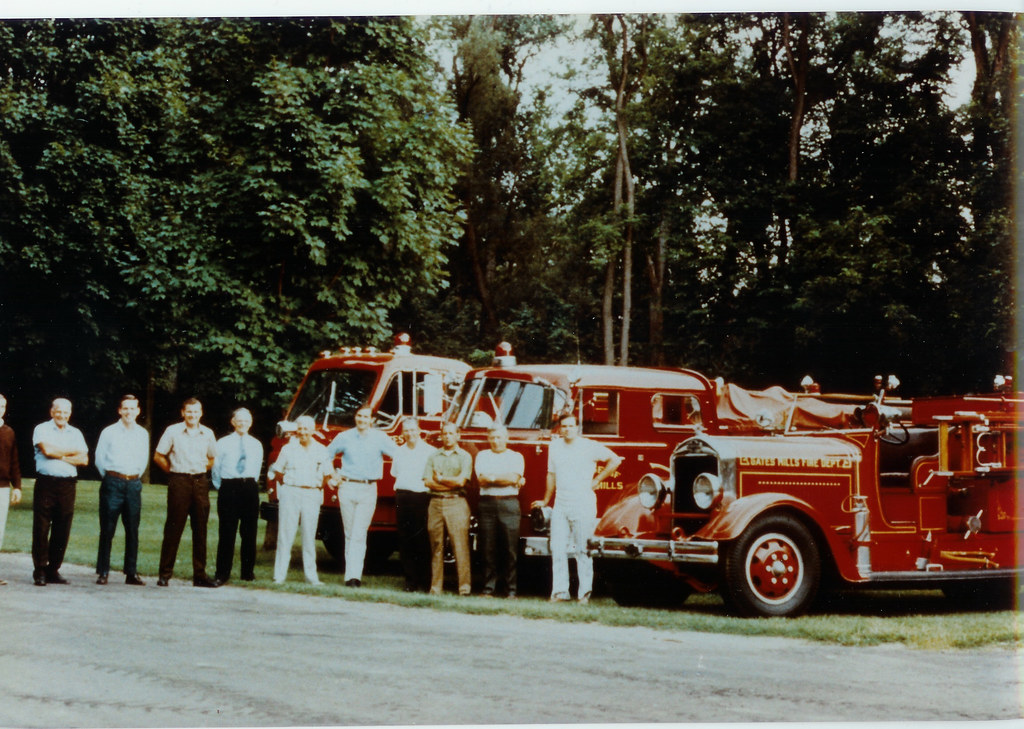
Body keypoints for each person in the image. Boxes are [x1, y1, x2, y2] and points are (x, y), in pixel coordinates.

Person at [533, 413, 622, 605]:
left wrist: (597, 480)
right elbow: (551, 475)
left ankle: (584, 594)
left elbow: (615, 460)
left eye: (571, 426)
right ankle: (560, 592)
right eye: (564, 426)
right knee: (557, 548)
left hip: (583, 503)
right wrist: (546, 500)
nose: (567, 430)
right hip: (560, 503)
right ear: (559, 428)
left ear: (577, 428)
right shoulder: (555, 446)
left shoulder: (589, 446)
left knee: (583, 550)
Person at [326, 406, 397, 587]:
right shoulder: (344, 437)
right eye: (359, 416)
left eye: (366, 417)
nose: (362, 419)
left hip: (368, 488)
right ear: (355, 417)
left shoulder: (380, 438)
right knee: (350, 533)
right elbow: (326, 455)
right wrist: (332, 475)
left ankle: (354, 576)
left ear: (372, 420)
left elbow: (399, 455)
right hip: (347, 486)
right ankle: (351, 576)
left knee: (359, 532)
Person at [153, 397, 218, 587]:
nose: (192, 415)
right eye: (189, 411)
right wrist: (173, 472)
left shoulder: (208, 433)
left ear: (201, 413)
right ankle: (165, 574)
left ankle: (200, 575)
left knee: (200, 529)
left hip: (200, 482)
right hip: (179, 481)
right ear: (183, 413)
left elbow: (212, 459)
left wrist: (199, 470)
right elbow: (158, 456)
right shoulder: (172, 431)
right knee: (173, 528)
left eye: (196, 411)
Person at [266, 415, 332, 585]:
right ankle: (279, 576)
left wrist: (316, 487)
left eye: (306, 429)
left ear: (313, 431)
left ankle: (311, 577)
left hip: (311, 493)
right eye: (300, 428)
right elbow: (278, 472)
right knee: (285, 534)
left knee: (309, 536)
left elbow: (327, 475)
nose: (302, 432)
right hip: (291, 492)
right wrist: (289, 486)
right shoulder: (288, 449)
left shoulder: (321, 450)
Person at [31, 397, 89, 586]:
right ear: (52, 412)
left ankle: (53, 569)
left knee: (63, 528)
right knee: (41, 527)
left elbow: (84, 459)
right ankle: (40, 570)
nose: (61, 415)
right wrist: (71, 452)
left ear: (70, 413)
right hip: (46, 483)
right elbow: (47, 450)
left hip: (67, 485)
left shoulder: (76, 433)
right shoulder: (41, 429)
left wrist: (60, 455)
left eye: (65, 412)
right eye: (58, 411)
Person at [94, 394, 150, 586]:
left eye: (132, 408)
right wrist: (111, 478)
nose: (129, 412)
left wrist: (133, 477)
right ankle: (103, 571)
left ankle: (131, 572)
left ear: (138, 411)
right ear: (119, 410)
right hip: (112, 483)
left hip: (133, 484)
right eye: (125, 408)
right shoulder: (109, 432)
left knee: (133, 529)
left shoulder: (142, 434)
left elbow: (143, 459)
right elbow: (99, 458)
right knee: (107, 528)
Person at [212, 408, 264, 584]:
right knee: (227, 531)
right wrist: (222, 487)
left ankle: (247, 573)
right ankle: (222, 573)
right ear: (233, 422)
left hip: (249, 487)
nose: (243, 423)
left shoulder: (256, 444)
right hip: (229, 487)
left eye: (246, 420)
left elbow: (257, 469)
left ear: (251, 422)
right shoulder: (222, 443)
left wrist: (249, 484)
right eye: (239, 420)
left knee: (249, 532)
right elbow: (216, 468)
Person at [474, 424, 525, 598]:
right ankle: (488, 589)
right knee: (487, 548)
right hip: (487, 504)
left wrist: (492, 477)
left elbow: (514, 478)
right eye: (492, 438)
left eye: (499, 437)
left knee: (510, 549)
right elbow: (482, 480)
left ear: (506, 438)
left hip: (509, 503)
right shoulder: (482, 456)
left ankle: (511, 590)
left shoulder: (516, 456)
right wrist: (505, 478)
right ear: (488, 439)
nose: (496, 441)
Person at [424, 422, 473, 596]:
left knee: (460, 545)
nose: (448, 437)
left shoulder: (465, 456)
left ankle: (464, 587)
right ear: (441, 436)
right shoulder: (433, 456)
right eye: (445, 434)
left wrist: (440, 479)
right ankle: (436, 588)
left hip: (456, 502)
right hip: (435, 503)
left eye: (451, 433)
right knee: (436, 546)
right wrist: (446, 484)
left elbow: (461, 482)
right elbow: (428, 482)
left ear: (458, 435)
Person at [390, 417, 435, 592]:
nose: (410, 434)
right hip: (402, 496)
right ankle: (410, 581)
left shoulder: (429, 451)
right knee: (405, 539)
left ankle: (425, 580)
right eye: (406, 430)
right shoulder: (398, 452)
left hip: (421, 497)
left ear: (419, 431)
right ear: (402, 432)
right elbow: (395, 473)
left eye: (413, 430)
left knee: (422, 539)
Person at [0, 394, 22, 586]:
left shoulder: (9, 432)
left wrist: (18, 486)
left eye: (2, 406)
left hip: (3, 487)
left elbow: (14, 461)